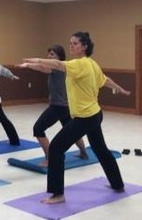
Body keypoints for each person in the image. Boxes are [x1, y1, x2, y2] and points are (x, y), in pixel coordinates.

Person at [21, 31, 131, 204]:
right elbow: (105, 79)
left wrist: (37, 59)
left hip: (85, 117)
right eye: (70, 43)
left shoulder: (79, 64)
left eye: (75, 43)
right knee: (100, 149)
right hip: (95, 114)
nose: (71, 46)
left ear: (84, 47)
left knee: (56, 149)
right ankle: (117, 184)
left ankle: (58, 194)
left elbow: (57, 64)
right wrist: (120, 88)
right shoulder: (92, 64)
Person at [16, 45, 87, 167]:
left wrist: (28, 65)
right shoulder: (63, 67)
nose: (49, 56)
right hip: (66, 106)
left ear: (59, 56)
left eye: (52, 54)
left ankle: (50, 159)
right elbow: (43, 67)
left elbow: (41, 68)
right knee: (73, 132)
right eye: (48, 54)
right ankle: (83, 153)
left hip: (58, 107)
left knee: (38, 129)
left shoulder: (57, 67)